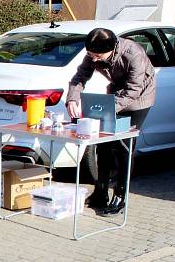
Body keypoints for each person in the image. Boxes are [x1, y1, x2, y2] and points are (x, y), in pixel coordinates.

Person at [66, 27, 156, 215]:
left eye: (99, 56)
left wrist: (108, 109)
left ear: (113, 48)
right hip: (115, 94)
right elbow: (79, 77)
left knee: (124, 146)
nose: (94, 59)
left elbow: (133, 90)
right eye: (91, 55)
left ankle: (121, 195)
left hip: (139, 99)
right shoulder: (92, 55)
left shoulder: (134, 54)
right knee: (103, 144)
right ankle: (100, 191)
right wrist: (72, 99)